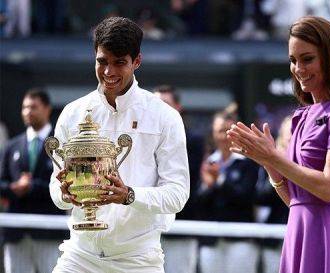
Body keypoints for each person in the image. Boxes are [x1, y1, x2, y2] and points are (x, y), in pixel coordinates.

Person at [227, 16, 330, 273]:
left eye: (307, 59)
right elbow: (295, 199)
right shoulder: (300, 117)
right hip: (297, 231)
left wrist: (273, 157)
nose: (298, 68)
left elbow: (329, 189)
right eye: (293, 60)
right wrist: (269, 165)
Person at [49, 17, 189, 273]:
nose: (109, 72)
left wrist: (129, 195)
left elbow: (178, 195)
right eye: (102, 61)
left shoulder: (165, 116)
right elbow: (55, 188)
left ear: (137, 62)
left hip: (138, 259)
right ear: (94, 56)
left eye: (119, 63)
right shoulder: (72, 113)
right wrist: (65, 193)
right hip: (79, 255)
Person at [0, 88, 68, 273]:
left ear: (47, 109)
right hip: (16, 234)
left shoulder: (61, 144)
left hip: (49, 232)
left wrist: (31, 186)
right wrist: (14, 188)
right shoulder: (11, 146)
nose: (28, 111)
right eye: (25, 107)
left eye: (33, 107)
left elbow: (66, 185)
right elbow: (2, 183)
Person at [198, 111, 259, 273]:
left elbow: (246, 196)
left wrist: (220, 179)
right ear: (213, 133)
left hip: (240, 240)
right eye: (219, 131)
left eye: (228, 130)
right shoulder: (208, 162)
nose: (223, 136)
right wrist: (208, 186)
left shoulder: (249, 162)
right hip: (211, 240)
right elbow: (199, 201)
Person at [154, 85, 204, 273]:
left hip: (181, 224)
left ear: (178, 107)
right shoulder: (139, 137)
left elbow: (184, 179)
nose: (159, 108)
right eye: (155, 103)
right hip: (146, 226)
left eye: (165, 103)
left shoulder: (194, 140)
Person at [254, 116, 290, 273]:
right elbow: (261, 196)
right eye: (289, 133)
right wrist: (276, 168)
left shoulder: (312, 160)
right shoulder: (269, 160)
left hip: (305, 235)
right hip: (275, 238)